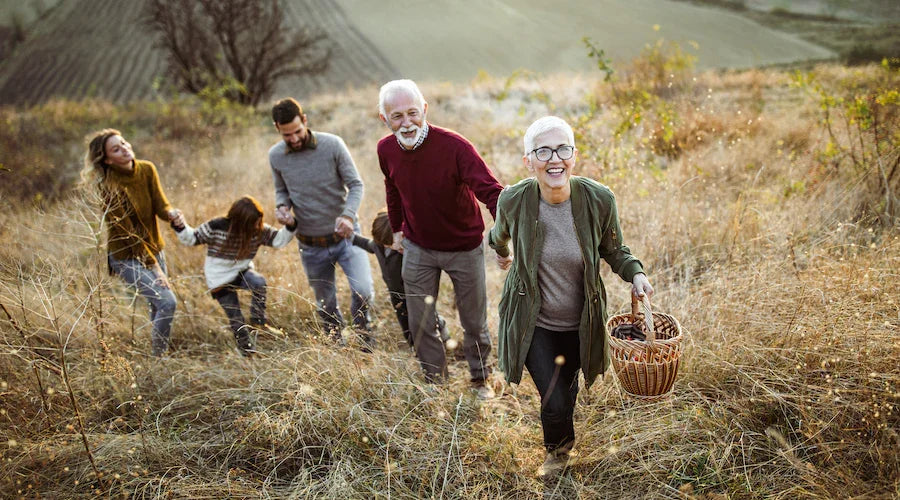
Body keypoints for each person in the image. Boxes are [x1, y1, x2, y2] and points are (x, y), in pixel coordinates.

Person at [488, 116, 654, 475]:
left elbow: (615, 250)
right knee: (555, 397)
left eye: (562, 149)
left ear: (574, 155)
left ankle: (561, 431)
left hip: (582, 321)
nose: (554, 159)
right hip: (534, 320)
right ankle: (558, 455)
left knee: (566, 386)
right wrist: (502, 252)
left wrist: (636, 274)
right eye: (543, 151)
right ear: (528, 161)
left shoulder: (598, 199)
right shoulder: (514, 200)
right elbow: (498, 234)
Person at [377, 79, 503, 397]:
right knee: (419, 320)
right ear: (385, 119)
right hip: (419, 246)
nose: (406, 123)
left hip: (464, 246)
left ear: (425, 110)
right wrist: (396, 230)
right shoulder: (386, 149)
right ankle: (436, 383)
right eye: (397, 116)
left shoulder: (455, 147)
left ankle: (480, 378)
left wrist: (504, 239)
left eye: (412, 113)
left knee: (472, 319)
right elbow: (391, 188)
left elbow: (491, 192)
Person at [268, 98, 376, 350]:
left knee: (363, 290)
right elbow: (281, 190)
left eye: (297, 131)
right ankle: (336, 345)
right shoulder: (275, 156)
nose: (293, 139)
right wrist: (282, 207)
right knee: (325, 303)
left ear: (304, 120)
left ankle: (363, 337)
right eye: (287, 135)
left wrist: (348, 215)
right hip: (311, 243)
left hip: (347, 237)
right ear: (277, 129)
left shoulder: (332, 145)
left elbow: (356, 185)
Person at [81, 129, 181, 356]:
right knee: (167, 302)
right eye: (116, 149)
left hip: (154, 248)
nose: (125, 149)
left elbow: (160, 205)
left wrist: (172, 213)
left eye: (124, 143)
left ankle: (158, 356)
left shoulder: (146, 169)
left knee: (158, 305)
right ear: (107, 159)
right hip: (126, 256)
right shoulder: (108, 186)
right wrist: (155, 268)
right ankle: (159, 360)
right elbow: (128, 234)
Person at [171, 196, 296, 356]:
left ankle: (258, 323)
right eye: (253, 223)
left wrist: (290, 225)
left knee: (259, 282)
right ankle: (248, 352)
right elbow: (192, 238)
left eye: (258, 222)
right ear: (240, 221)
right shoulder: (217, 227)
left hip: (241, 272)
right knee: (236, 319)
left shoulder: (257, 230)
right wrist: (180, 225)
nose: (257, 226)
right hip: (219, 279)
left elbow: (278, 240)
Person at [351, 209, 450, 349]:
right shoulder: (379, 244)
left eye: (392, 243)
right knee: (406, 325)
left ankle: (441, 337)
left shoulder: (407, 250)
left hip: (416, 292)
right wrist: (351, 237)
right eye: (386, 244)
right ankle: (415, 348)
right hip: (396, 295)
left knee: (427, 320)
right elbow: (369, 245)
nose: (391, 247)